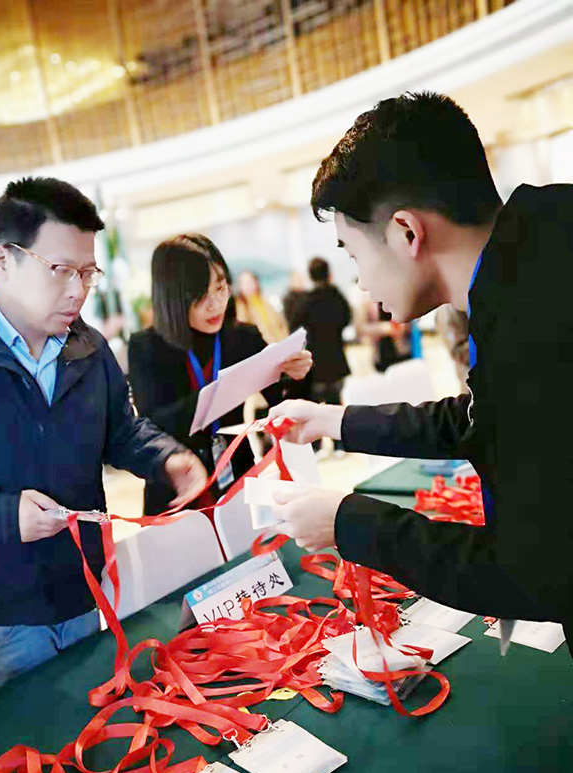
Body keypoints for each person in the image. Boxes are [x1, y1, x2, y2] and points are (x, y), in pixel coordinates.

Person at [267, 91, 573, 650]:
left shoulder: (536, 326)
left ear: (408, 232)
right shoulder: (541, 249)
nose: (361, 281)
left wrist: (350, 524)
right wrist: (334, 421)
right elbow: (484, 416)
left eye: (354, 254)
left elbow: (531, 575)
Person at [0, 177, 207, 699]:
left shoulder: (88, 347)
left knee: (97, 732)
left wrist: (166, 457)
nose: (77, 290)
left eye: (87, 273)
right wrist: (3, 515)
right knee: (26, 745)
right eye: (60, 270)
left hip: (83, 593)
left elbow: (120, 429)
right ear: (3, 260)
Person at [128, 235, 312, 515]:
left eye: (220, 288)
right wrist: (220, 393)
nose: (215, 304)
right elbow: (152, 425)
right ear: (172, 299)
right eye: (200, 296)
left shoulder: (243, 337)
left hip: (238, 482)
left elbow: (284, 405)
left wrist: (298, 375)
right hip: (176, 492)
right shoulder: (146, 347)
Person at [289, 257, 352, 454]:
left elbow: (294, 328)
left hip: (315, 360)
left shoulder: (305, 301)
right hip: (336, 355)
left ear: (310, 276)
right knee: (335, 402)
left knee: (314, 405)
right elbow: (347, 318)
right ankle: (339, 444)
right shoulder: (337, 296)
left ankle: (317, 447)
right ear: (329, 273)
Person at [235, 270, 288, 343]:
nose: (248, 285)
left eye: (250, 281)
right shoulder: (241, 307)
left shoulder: (265, 302)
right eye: (244, 282)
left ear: (256, 282)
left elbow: (280, 323)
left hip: (280, 342)